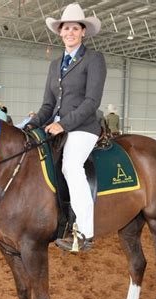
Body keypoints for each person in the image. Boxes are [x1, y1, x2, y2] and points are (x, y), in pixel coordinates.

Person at [27, 3, 107, 252]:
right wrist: (31, 125)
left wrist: (63, 124)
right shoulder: (54, 66)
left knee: (71, 166)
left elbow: (91, 102)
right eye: (66, 28)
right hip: (57, 126)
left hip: (83, 127)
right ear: (60, 32)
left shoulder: (94, 59)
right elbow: (48, 105)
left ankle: (84, 232)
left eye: (75, 28)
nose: (70, 32)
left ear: (83, 31)